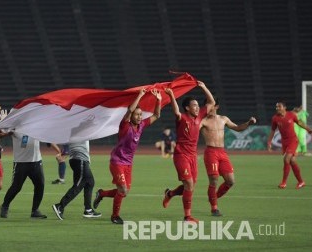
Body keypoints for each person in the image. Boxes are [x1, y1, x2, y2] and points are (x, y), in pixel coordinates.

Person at [93, 88, 162, 224]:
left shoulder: (141, 125)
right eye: (137, 114)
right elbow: (129, 110)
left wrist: (158, 100)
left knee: (123, 192)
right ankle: (115, 216)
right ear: (132, 116)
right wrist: (140, 95)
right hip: (117, 161)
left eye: (141, 114)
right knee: (123, 189)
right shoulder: (125, 125)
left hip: (128, 163)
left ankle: (102, 194)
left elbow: (156, 115)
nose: (139, 117)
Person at [162, 81, 215, 223]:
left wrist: (203, 87)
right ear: (187, 108)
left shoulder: (199, 117)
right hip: (181, 155)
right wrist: (172, 95)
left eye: (198, 105)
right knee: (189, 185)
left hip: (193, 156)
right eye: (194, 105)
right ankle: (187, 217)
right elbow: (176, 111)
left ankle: (170, 193)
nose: (197, 108)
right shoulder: (182, 118)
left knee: (189, 186)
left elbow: (211, 102)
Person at [200, 97, 256, 216]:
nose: (208, 108)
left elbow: (237, 128)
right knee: (214, 180)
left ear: (216, 106)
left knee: (230, 181)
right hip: (210, 152)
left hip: (222, 152)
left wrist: (249, 123)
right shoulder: (203, 121)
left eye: (210, 105)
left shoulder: (223, 119)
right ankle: (214, 208)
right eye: (206, 105)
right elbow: (192, 132)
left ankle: (213, 198)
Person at [0, 133, 48, 219]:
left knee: (40, 184)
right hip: (21, 162)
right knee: (16, 187)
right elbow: (3, 130)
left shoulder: (36, 127)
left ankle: (35, 210)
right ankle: (5, 206)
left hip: (36, 161)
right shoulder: (16, 127)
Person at [267, 101, 312, 189]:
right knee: (292, 161)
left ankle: (283, 182)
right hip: (285, 143)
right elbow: (272, 131)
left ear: (284, 107)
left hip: (293, 140)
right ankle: (301, 182)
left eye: (279, 107)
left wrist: (308, 129)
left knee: (286, 159)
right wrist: (269, 142)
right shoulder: (275, 118)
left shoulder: (291, 115)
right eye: (276, 107)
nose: (277, 108)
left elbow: (299, 123)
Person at [52, 141, 101, 220]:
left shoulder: (77, 130)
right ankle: (60, 206)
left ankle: (88, 210)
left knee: (90, 183)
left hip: (79, 159)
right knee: (79, 185)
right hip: (80, 159)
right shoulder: (79, 129)